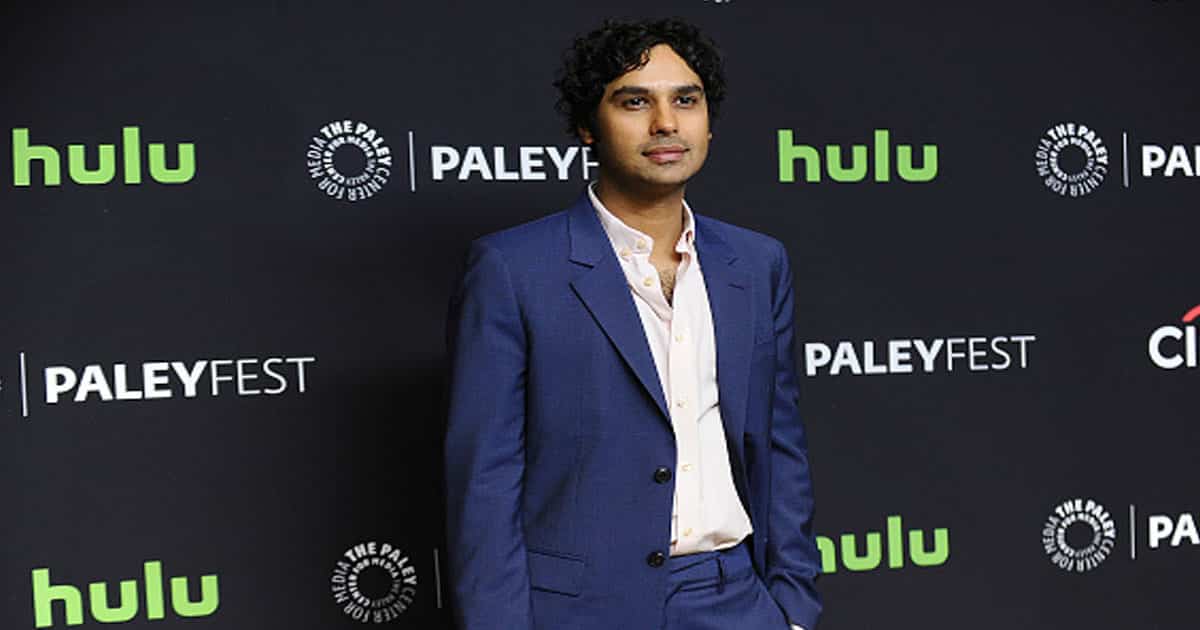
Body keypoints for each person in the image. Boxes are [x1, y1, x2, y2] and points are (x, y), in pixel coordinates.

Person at [444, 17, 821, 630]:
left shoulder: (757, 263)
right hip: (580, 608)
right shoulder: (512, 269)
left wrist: (792, 606)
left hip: (736, 598)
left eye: (686, 100)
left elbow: (779, 448)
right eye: (635, 101)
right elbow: (484, 482)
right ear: (587, 127)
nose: (666, 123)